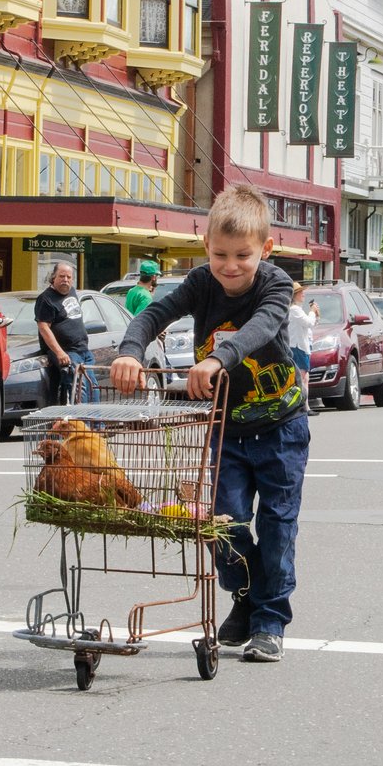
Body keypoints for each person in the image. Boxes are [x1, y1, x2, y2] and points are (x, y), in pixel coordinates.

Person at [110, 184, 308, 663]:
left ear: (265, 249)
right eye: (220, 254)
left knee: (277, 526)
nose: (231, 266)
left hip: (282, 427)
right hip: (226, 430)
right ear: (206, 247)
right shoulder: (201, 283)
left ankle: (269, 621)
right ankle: (243, 597)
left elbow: (261, 327)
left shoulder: (275, 285)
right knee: (226, 527)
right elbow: (154, 315)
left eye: (243, 255)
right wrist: (130, 352)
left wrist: (219, 357)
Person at [36, 261, 98, 405]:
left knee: (93, 388)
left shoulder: (72, 291)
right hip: (67, 352)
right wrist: (59, 353)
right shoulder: (46, 299)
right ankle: (82, 425)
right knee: (79, 389)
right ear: (53, 278)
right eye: (62, 276)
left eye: (69, 277)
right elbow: (44, 327)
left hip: (83, 350)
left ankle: (95, 425)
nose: (65, 280)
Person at [288, 282, 320, 416]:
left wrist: (316, 314)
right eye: (300, 292)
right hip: (298, 347)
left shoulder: (298, 310)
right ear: (294, 295)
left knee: (305, 378)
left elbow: (310, 325)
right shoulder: (294, 310)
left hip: (303, 346)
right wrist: (312, 312)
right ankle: (301, 406)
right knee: (301, 377)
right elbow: (308, 322)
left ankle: (305, 406)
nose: (303, 294)